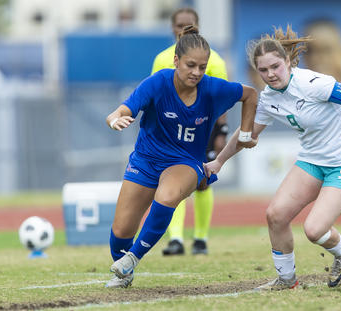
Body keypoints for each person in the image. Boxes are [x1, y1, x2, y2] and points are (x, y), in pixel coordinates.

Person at [205, 26, 341, 290]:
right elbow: (246, 133)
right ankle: (287, 280)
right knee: (275, 215)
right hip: (312, 160)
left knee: (315, 230)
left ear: (288, 61)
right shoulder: (267, 99)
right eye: (263, 70)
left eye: (275, 66)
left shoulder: (314, 84)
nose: (270, 75)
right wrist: (220, 161)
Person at [104, 25, 257, 288]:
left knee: (167, 195)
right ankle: (124, 268)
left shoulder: (213, 89)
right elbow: (119, 111)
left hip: (186, 162)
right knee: (120, 233)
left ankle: (133, 258)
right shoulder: (157, 82)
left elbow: (250, 94)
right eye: (190, 65)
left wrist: (245, 132)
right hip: (146, 160)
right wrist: (114, 119)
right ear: (176, 61)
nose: (197, 72)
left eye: (202, 66)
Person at [152, 7, 229, 256]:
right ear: (172, 28)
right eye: (178, 25)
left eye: (189, 25)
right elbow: (155, 96)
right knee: (173, 181)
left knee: (203, 183)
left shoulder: (215, 61)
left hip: (202, 130)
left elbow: (223, 100)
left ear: (196, 26)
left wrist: (221, 132)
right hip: (171, 131)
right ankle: (175, 239)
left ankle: (201, 239)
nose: (182, 29)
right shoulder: (162, 59)